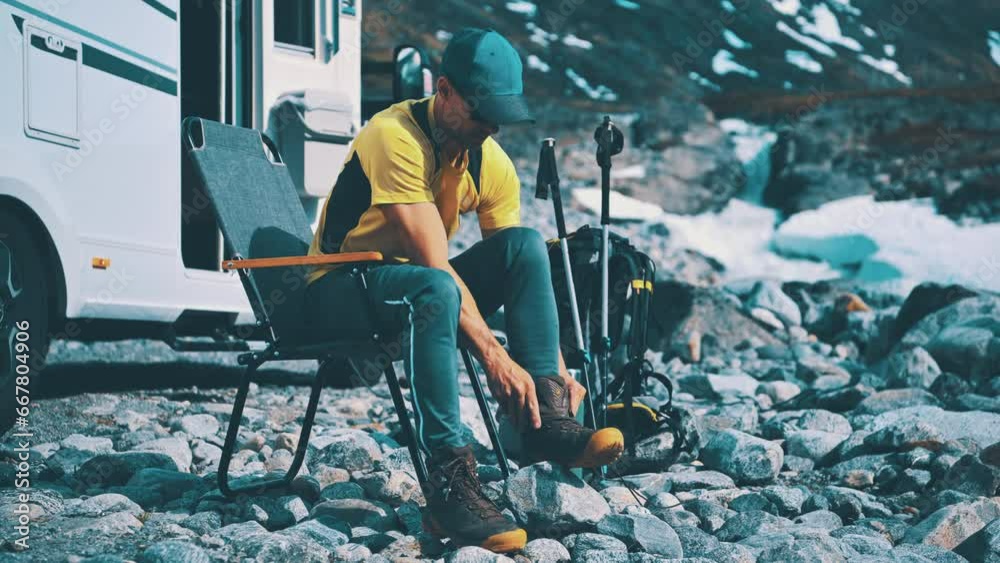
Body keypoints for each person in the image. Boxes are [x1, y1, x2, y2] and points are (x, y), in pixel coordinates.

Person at [303, 27, 624, 553]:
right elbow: (434, 265)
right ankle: (449, 486)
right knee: (434, 287)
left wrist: (558, 371)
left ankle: (544, 420)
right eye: (482, 113)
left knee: (524, 245)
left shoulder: (489, 159)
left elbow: (520, 271)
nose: (491, 126)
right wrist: (497, 359)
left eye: (501, 115)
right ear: (444, 90)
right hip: (335, 293)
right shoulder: (394, 137)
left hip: (414, 288)